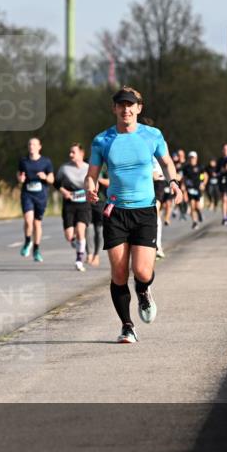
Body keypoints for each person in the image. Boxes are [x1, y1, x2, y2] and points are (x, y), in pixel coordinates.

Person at [85, 86, 183, 344]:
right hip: (115, 211)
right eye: (121, 105)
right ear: (114, 108)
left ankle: (143, 291)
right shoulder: (102, 140)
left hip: (145, 211)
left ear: (139, 108)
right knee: (118, 274)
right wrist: (91, 189)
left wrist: (173, 182)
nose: (126, 109)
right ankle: (127, 326)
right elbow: (91, 174)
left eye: (130, 105)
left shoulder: (152, 135)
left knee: (141, 271)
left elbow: (167, 163)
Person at [55, 142, 92, 271]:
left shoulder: (89, 168)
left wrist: (90, 190)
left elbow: (94, 182)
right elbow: (56, 183)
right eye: (70, 152)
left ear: (81, 154)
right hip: (69, 204)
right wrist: (64, 191)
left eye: (73, 152)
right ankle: (76, 244)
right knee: (69, 236)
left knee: (81, 231)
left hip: (84, 204)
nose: (70, 154)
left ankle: (79, 260)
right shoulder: (64, 168)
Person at [17, 137, 54, 262]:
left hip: (41, 196)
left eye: (34, 144)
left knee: (37, 223)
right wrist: (20, 178)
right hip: (27, 194)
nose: (31, 146)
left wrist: (45, 177)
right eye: (29, 144)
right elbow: (19, 174)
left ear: (39, 147)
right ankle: (28, 241)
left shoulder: (46, 162)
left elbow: (52, 179)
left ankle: (36, 249)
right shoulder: (23, 161)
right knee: (28, 220)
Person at [88, 167, 109, 267]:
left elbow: (110, 182)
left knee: (98, 230)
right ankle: (89, 253)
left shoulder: (105, 166)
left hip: (101, 202)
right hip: (87, 201)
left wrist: (97, 179)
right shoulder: (87, 162)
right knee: (87, 228)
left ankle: (96, 255)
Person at [182, 151, 206, 229]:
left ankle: (199, 212)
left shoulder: (200, 167)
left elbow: (203, 175)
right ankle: (195, 222)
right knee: (192, 205)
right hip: (189, 188)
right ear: (188, 159)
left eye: (193, 158)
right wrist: (183, 187)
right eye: (190, 158)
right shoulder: (186, 168)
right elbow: (184, 178)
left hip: (197, 188)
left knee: (197, 206)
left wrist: (202, 183)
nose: (192, 159)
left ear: (196, 158)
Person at [217, 143, 227, 225]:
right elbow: (217, 172)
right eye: (224, 149)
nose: (225, 151)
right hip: (222, 182)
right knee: (224, 199)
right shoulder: (220, 160)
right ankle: (224, 217)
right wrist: (222, 171)